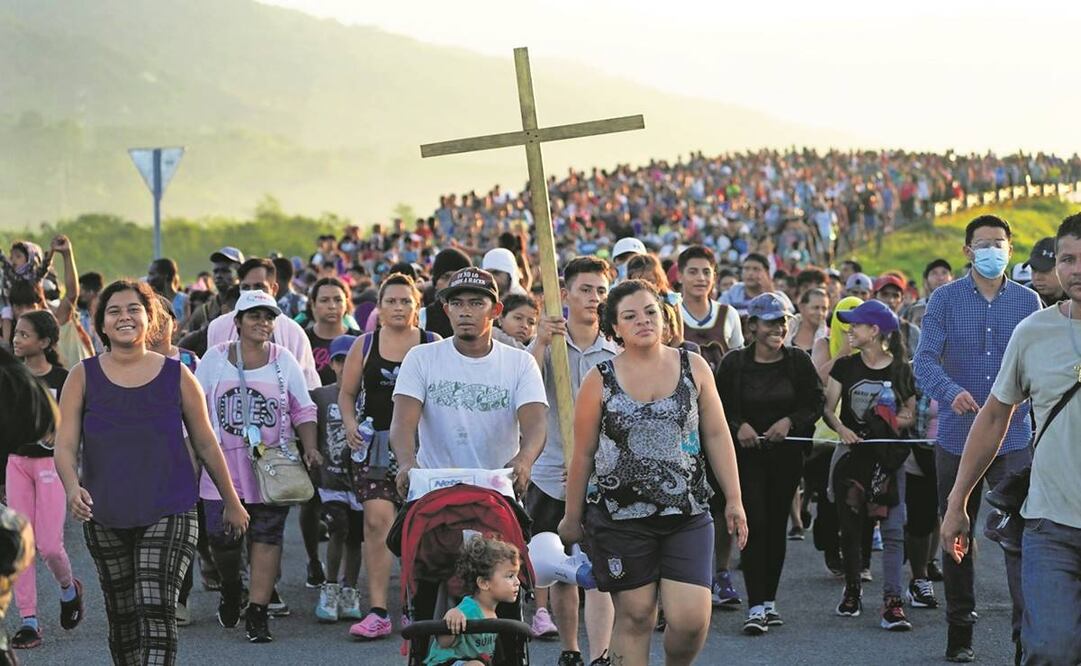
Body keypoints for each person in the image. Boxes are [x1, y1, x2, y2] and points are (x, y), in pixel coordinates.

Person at [54, 280, 249, 666]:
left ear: (150, 319)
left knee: (155, 606)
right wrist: (72, 488)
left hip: (170, 507)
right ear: (102, 325)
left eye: (133, 309)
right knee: (123, 617)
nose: (125, 316)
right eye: (114, 311)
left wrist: (231, 500)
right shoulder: (82, 375)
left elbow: (208, 444)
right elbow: (65, 445)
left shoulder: (177, 375)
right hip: (104, 512)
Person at [558, 279, 748, 666]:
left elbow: (715, 433)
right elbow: (583, 455)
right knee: (637, 614)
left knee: (692, 619)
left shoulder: (692, 365)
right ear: (615, 328)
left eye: (650, 312)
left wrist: (734, 498)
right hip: (619, 518)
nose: (643, 321)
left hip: (689, 512)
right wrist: (571, 517)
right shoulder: (600, 379)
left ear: (664, 317)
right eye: (630, 316)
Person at [941, 214, 1081, 666]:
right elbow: (995, 415)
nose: (1077, 269)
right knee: (1051, 648)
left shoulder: (1022, 307)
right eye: (1068, 259)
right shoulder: (1034, 331)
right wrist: (957, 501)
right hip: (1050, 524)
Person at [913, 214, 1041, 662]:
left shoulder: (1029, 303)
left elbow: (1040, 366)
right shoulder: (944, 300)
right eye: (983, 244)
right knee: (956, 530)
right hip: (956, 435)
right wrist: (951, 392)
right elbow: (924, 361)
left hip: (1014, 438)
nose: (992, 251)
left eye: (999, 244)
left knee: (1021, 540)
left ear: (1010, 248)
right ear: (968, 251)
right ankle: (959, 630)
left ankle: (1026, 638)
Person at [195, 289, 321, 643]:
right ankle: (232, 586)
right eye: (254, 316)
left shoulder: (284, 360)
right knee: (223, 539)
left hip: (272, 466)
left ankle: (258, 612)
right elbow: (196, 408)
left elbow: (304, 408)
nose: (262, 323)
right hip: (222, 464)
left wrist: (310, 447)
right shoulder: (214, 359)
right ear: (237, 322)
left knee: (267, 536)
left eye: (268, 317)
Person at [525, 256, 617, 666]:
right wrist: (541, 341)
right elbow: (520, 385)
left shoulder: (615, 351)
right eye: (585, 290)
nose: (594, 298)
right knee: (561, 567)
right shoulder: (547, 344)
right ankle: (570, 649)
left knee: (598, 572)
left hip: (600, 476)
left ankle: (600, 654)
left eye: (601, 291)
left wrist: (594, 464)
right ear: (564, 294)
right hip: (549, 473)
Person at [339, 274, 439, 640]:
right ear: (379, 308)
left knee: (419, 529)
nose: (398, 307)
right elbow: (346, 393)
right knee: (377, 524)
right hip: (375, 447)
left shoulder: (432, 344)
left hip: (421, 450)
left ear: (417, 308)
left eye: (405, 301)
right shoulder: (364, 345)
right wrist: (349, 424)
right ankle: (379, 610)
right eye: (391, 301)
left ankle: (416, 608)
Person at [716, 293, 823, 635]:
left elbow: (814, 403)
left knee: (775, 526)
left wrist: (789, 422)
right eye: (770, 322)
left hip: (785, 457)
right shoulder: (734, 363)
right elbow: (716, 408)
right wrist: (738, 426)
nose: (778, 328)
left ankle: (769, 602)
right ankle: (755, 605)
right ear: (752, 326)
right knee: (754, 523)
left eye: (783, 322)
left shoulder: (797, 362)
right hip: (744, 459)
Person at [390, 268, 546, 499]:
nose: (465, 312)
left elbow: (536, 424)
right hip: (433, 493)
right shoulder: (420, 358)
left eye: (475, 304)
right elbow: (402, 423)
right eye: (457, 304)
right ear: (447, 310)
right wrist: (406, 463)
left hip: (497, 492)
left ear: (495, 310)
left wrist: (524, 460)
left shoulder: (521, 363)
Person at [823, 299, 917, 631]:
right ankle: (852, 590)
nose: (849, 330)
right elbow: (828, 408)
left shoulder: (901, 369)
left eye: (856, 325)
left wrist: (891, 420)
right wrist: (843, 429)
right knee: (849, 527)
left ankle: (893, 602)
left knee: (892, 531)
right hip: (851, 455)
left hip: (888, 458)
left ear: (874, 331)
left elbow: (911, 413)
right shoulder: (844, 366)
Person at [8, 310, 82, 649]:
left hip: (51, 467)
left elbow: (77, 423)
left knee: (50, 546)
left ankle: (69, 589)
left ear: (45, 342)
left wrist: (61, 431)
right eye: (16, 333)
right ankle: (29, 621)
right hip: (16, 465)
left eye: (24, 335)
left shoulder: (65, 378)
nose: (16, 339)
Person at [310, 334, 364, 628]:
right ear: (331, 363)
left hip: (361, 482)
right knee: (337, 529)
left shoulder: (368, 396)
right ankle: (329, 587)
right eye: (340, 360)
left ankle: (350, 589)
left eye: (352, 360)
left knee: (355, 537)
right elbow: (304, 422)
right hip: (330, 480)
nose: (346, 366)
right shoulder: (321, 396)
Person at [206, 257, 321, 389]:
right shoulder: (218, 327)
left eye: (259, 286)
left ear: (274, 289)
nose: (252, 293)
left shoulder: (294, 333)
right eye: (246, 287)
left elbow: (308, 387)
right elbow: (210, 381)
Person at [425, 535, 522, 666]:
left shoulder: (493, 613)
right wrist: (451, 616)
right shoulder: (468, 610)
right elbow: (444, 642)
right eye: (510, 576)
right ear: (484, 583)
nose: (518, 582)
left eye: (516, 575)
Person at [677, 245, 744, 370]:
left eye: (706, 272)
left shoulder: (728, 313)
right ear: (679, 276)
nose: (701, 278)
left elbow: (739, 362)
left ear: (714, 277)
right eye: (693, 272)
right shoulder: (671, 314)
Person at [306, 277, 362, 387]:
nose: (332, 306)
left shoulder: (361, 340)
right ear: (313, 304)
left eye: (338, 300)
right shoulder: (302, 339)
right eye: (324, 300)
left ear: (346, 303)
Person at [184, 246, 244, 333]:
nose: (218, 276)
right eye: (216, 271)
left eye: (225, 271)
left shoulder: (248, 306)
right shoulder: (203, 312)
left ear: (240, 273)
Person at [418, 247, 471, 339]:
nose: (452, 283)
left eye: (458, 277)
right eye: (446, 277)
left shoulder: (478, 315)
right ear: (436, 283)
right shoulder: (423, 317)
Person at [873, 275, 921, 361]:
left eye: (895, 296)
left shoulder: (911, 331)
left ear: (902, 300)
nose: (890, 300)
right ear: (874, 296)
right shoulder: (864, 328)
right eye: (884, 294)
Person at [1023, 237, 1065, 307]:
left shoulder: (1077, 295)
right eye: (1034, 269)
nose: (1037, 277)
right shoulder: (1023, 297)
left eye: (1044, 271)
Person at [786, 288, 829, 353]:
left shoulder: (829, 335)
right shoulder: (786, 331)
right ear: (802, 307)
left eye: (824, 309)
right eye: (816, 308)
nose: (820, 313)